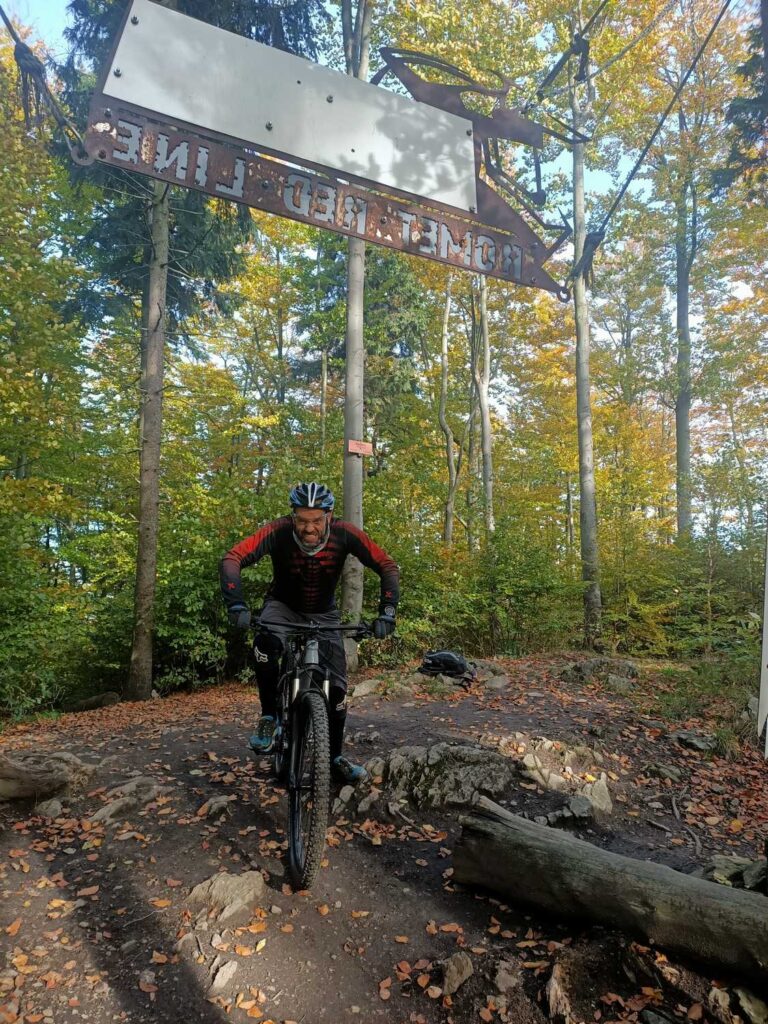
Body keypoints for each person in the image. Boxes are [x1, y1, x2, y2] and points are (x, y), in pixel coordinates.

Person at [220, 482, 399, 784]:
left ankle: (335, 758)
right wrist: (236, 604)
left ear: (329, 516)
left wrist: (388, 612)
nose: (309, 527)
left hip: (324, 613)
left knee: (339, 691)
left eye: (316, 520)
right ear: (293, 517)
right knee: (265, 643)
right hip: (282, 606)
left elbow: (385, 564)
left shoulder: (345, 533)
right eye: (302, 520)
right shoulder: (278, 531)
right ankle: (268, 716)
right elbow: (232, 558)